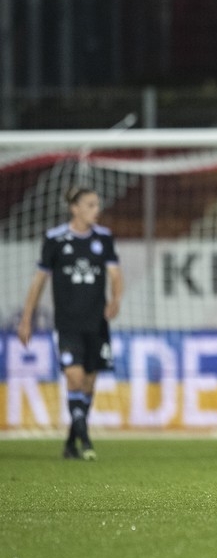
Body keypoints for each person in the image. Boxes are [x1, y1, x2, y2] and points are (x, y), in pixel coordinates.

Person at [17, 186, 124, 461]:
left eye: (96, 205)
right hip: (67, 324)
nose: (95, 210)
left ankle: (70, 442)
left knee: (88, 383)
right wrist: (26, 319)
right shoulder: (55, 239)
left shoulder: (104, 238)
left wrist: (116, 298)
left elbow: (115, 274)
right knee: (74, 377)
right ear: (74, 208)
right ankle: (85, 441)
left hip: (97, 323)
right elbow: (39, 281)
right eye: (90, 205)